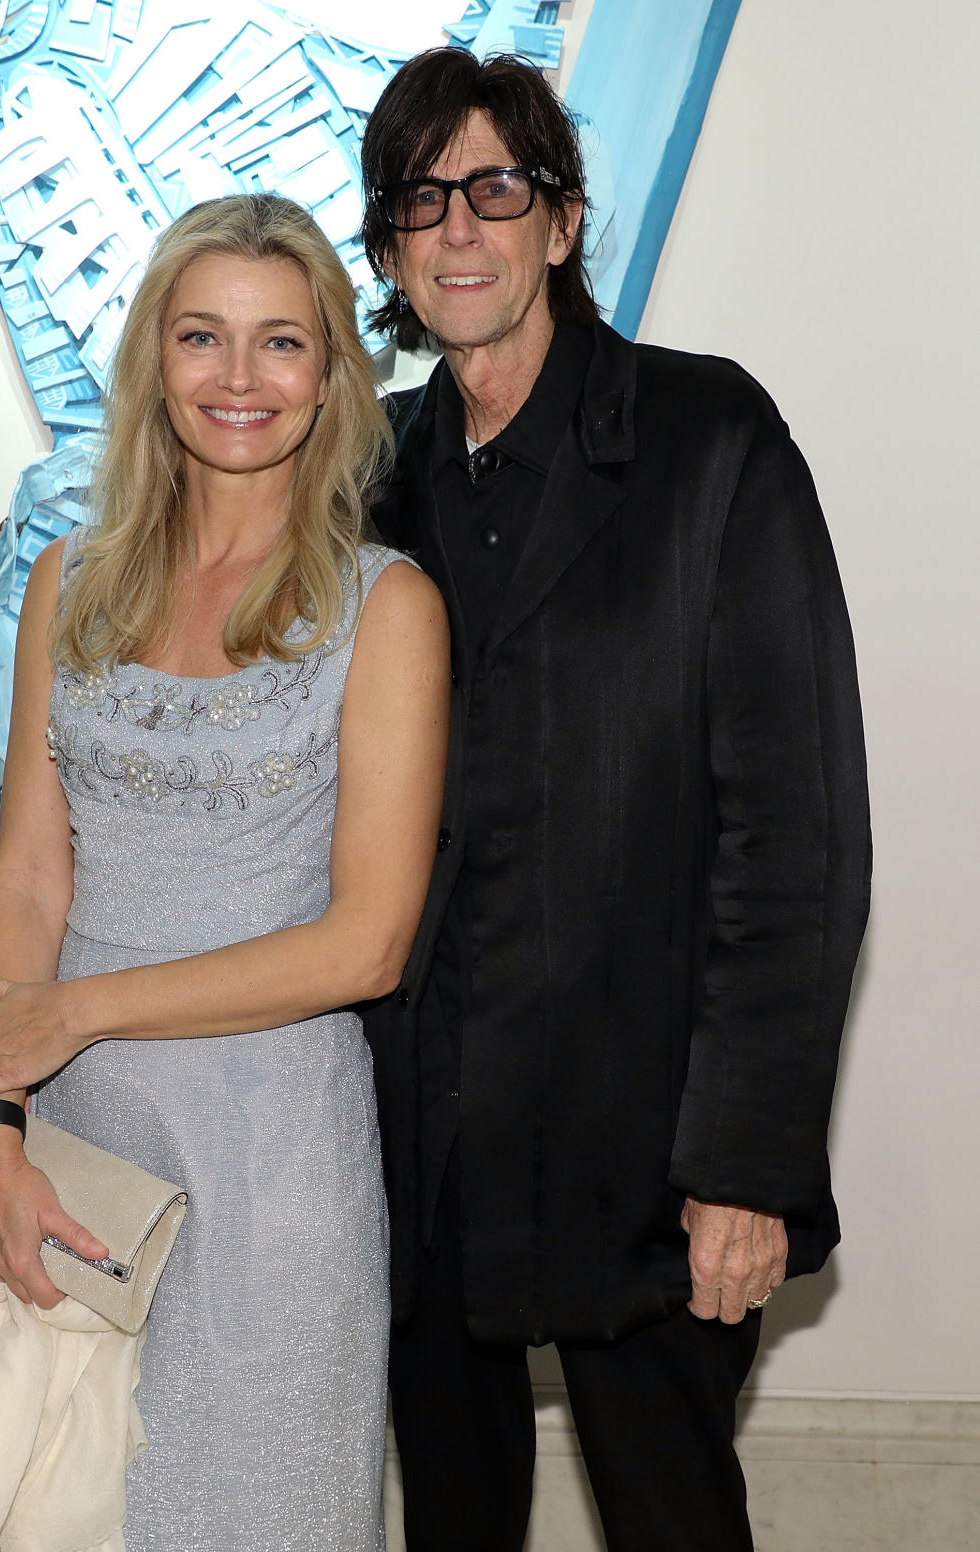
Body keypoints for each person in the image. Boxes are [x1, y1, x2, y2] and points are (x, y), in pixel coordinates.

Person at [358, 49, 871, 1552]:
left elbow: (798, 841)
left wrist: (744, 1165)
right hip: (416, 1145)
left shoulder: (709, 441)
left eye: (494, 189)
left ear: (562, 224)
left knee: (670, 1522)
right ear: (389, 247)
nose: (458, 229)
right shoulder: (361, 477)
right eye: (419, 199)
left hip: (643, 1146)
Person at [0, 192, 450, 1550]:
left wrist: (81, 1011)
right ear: (151, 362)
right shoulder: (69, 582)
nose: (238, 380)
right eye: (202, 338)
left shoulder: (382, 609)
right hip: (71, 1144)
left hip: (272, 1172)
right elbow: (32, 878)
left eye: (280, 343)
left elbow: (365, 949)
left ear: (333, 375)